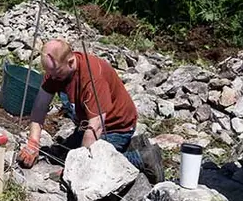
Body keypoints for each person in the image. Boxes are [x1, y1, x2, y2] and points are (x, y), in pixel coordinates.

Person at [16, 39, 165, 184]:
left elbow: (95, 127)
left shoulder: (92, 78)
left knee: (96, 167)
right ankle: (128, 146)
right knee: (62, 154)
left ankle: (143, 158)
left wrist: (77, 168)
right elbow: (40, 106)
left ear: (71, 61)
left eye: (57, 74)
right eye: (51, 74)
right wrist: (33, 143)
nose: (53, 78)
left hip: (115, 126)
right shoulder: (56, 69)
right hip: (86, 122)